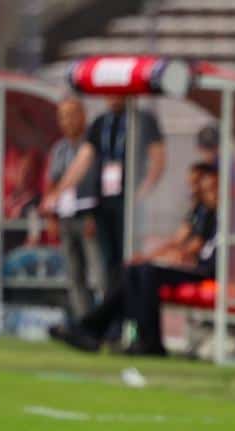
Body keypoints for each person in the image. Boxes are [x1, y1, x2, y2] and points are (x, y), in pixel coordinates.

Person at [50, 162, 219, 357]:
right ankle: (108, 332)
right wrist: (149, 257)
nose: (196, 189)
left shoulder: (218, 212)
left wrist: (164, 258)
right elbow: (178, 240)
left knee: (145, 274)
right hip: (189, 266)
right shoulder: (200, 208)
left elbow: (192, 247)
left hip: (203, 270)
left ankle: (133, 338)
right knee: (131, 272)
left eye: (202, 185)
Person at [84, 96, 165, 288]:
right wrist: (62, 188)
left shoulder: (143, 120)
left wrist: (142, 192)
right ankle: (111, 304)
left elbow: (158, 160)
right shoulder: (100, 123)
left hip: (129, 201)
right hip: (104, 201)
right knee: (107, 258)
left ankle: (130, 303)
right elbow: (85, 159)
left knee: (129, 255)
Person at [41, 97, 103, 320]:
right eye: (62, 117)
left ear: (83, 116)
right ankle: (83, 320)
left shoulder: (93, 145)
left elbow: (97, 183)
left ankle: (103, 320)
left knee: (98, 273)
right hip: (66, 216)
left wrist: (95, 215)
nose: (66, 121)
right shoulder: (59, 149)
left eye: (71, 115)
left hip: (87, 215)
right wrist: (51, 216)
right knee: (74, 274)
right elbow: (52, 183)